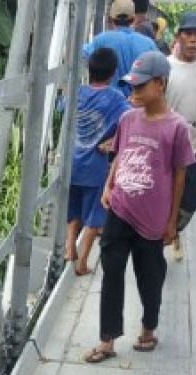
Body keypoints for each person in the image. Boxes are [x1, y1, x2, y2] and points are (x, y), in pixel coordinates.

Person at [84, 51, 194, 364]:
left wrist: (171, 221)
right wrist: (109, 185)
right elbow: (119, 153)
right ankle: (107, 339)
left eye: (140, 87)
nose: (134, 92)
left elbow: (180, 174)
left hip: (153, 217)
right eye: (131, 86)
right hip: (120, 208)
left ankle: (148, 327)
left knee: (150, 275)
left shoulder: (177, 128)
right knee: (112, 272)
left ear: (160, 84)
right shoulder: (128, 119)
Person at [65, 47, 131, 277]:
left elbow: (61, 109)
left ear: (90, 70)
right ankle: (82, 261)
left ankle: (68, 247)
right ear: (113, 73)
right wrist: (113, 140)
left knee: (72, 207)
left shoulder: (77, 94)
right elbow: (131, 121)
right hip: (95, 165)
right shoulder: (116, 99)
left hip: (71, 162)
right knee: (94, 216)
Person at [165, 12, 196, 259]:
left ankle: (174, 229)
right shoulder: (166, 67)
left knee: (191, 198)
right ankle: (164, 233)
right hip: (166, 142)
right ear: (179, 37)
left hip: (194, 142)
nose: (193, 39)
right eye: (188, 34)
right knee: (164, 192)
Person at [83, 0, 159, 96]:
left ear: (111, 18)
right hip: (137, 106)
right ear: (133, 18)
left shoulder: (100, 40)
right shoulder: (149, 44)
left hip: (107, 105)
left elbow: (83, 56)